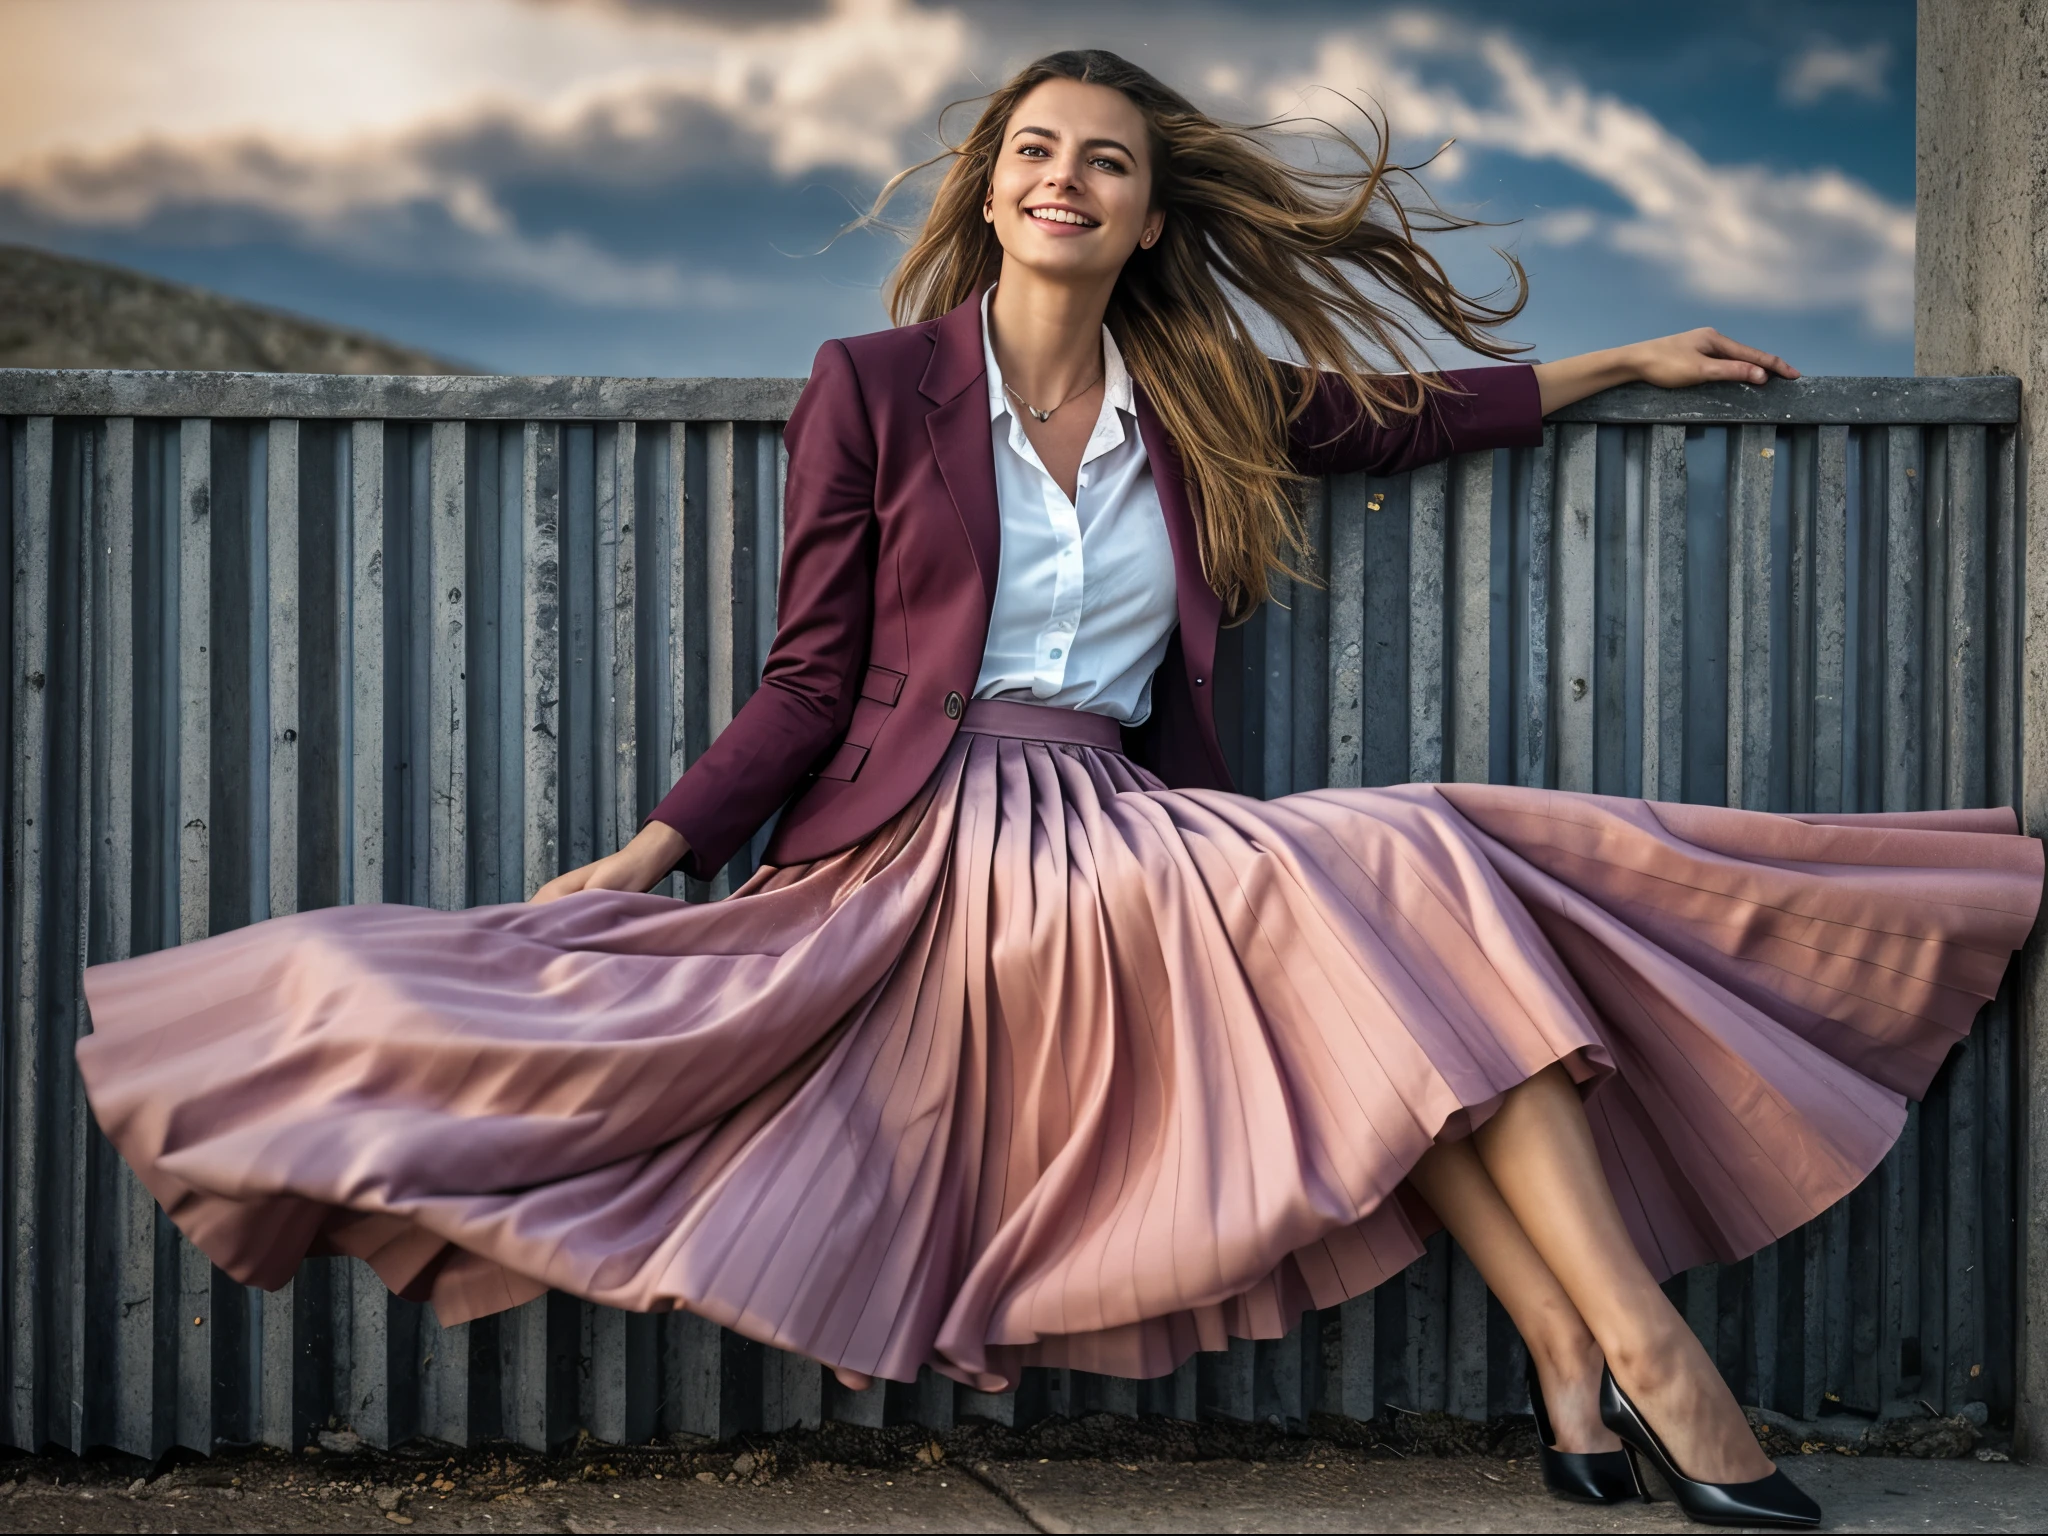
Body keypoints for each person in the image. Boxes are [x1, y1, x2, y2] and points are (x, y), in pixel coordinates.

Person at [77, 50, 2039, 1531]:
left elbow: (1396, 417)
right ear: (991, 186)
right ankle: (1649, 1363)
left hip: (1131, 814)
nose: (1063, 178)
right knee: (1395, 889)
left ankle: (1581, 1351)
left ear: (1149, 212)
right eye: (1034, 149)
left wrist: (1622, 358)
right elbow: (810, 677)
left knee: (1417, 886)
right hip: (947, 851)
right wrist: (664, 847)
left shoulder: (1197, 399)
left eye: (1104, 158)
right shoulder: (872, 383)